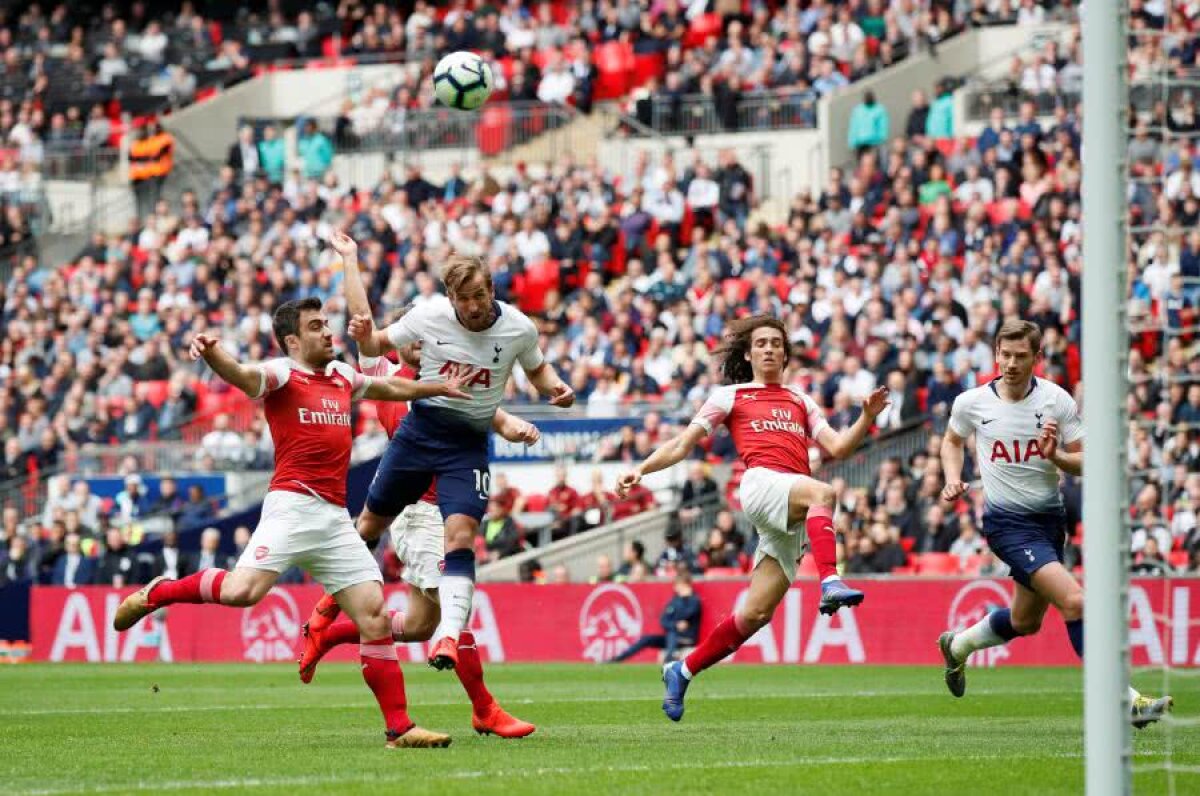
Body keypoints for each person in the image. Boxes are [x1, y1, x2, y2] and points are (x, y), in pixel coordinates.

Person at [111, 295, 471, 748]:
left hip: (335, 519)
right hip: (291, 507)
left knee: (375, 617)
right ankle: (159, 592)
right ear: (292, 341)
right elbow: (242, 376)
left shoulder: (341, 375)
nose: (328, 331)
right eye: (317, 326)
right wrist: (214, 352)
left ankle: (399, 728)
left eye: (326, 323)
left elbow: (390, 389)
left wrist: (435, 388)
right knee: (243, 593)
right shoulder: (282, 373)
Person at [295, 231, 539, 738]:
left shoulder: (450, 371)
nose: (420, 342)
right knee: (454, 614)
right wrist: (351, 261)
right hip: (418, 510)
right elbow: (365, 327)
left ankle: (331, 630)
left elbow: (477, 403)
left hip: (442, 500)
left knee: (425, 623)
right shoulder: (379, 371)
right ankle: (484, 709)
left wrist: (508, 423)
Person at [616, 314, 888, 722]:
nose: (769, 349)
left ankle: (682, 669)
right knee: (825, 491)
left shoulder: (800, 399)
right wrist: (642, 469)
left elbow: (839, 447)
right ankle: (830, 579)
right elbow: (682, 444)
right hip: (762, 484)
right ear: (748, 352)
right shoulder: (731, 395)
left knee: (757, 614)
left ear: (785, 353)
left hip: (792, 506)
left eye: (776, 343)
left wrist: (866, 417)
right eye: (761, 343)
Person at [340, 250, 574, 671]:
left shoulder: (518, 327)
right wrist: (360, 317)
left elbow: (533, 373)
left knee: (456, 549)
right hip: (418, 441)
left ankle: (451, 643)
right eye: (464, 298)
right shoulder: (396, 357)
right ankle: (329, 611)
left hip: (463, 451)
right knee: (368, 527)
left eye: (480, 295)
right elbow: (373, 340)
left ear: (492, 290)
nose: (473, 305)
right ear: (449, 297)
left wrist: (554, 389)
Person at [935, 320, 1173, 730]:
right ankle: (1127, 702)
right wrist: (952, 476)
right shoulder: (971, 402)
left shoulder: (1056, 401)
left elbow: (1089, 456)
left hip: (1049, 520)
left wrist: (1057, 457)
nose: (1010, 363)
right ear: (995, 354)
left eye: (1020, 356)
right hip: (1006, 523)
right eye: (1004, 354)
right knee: (1076, 603)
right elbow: (952, 441)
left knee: (1025, 621)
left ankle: (958, 645)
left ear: (1037, 358)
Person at [607, 572, 701, 663]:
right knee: (647, 638)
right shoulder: (675, 600)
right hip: (671, 638)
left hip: (687, 638)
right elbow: (664, 621)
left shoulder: (694, 600)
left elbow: (688, 614)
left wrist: (684, 599)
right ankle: (619, 658)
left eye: (679, 585)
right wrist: (676, 625)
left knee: (672, 633)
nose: (676, 588)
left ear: (686, 585)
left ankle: (668, 659)